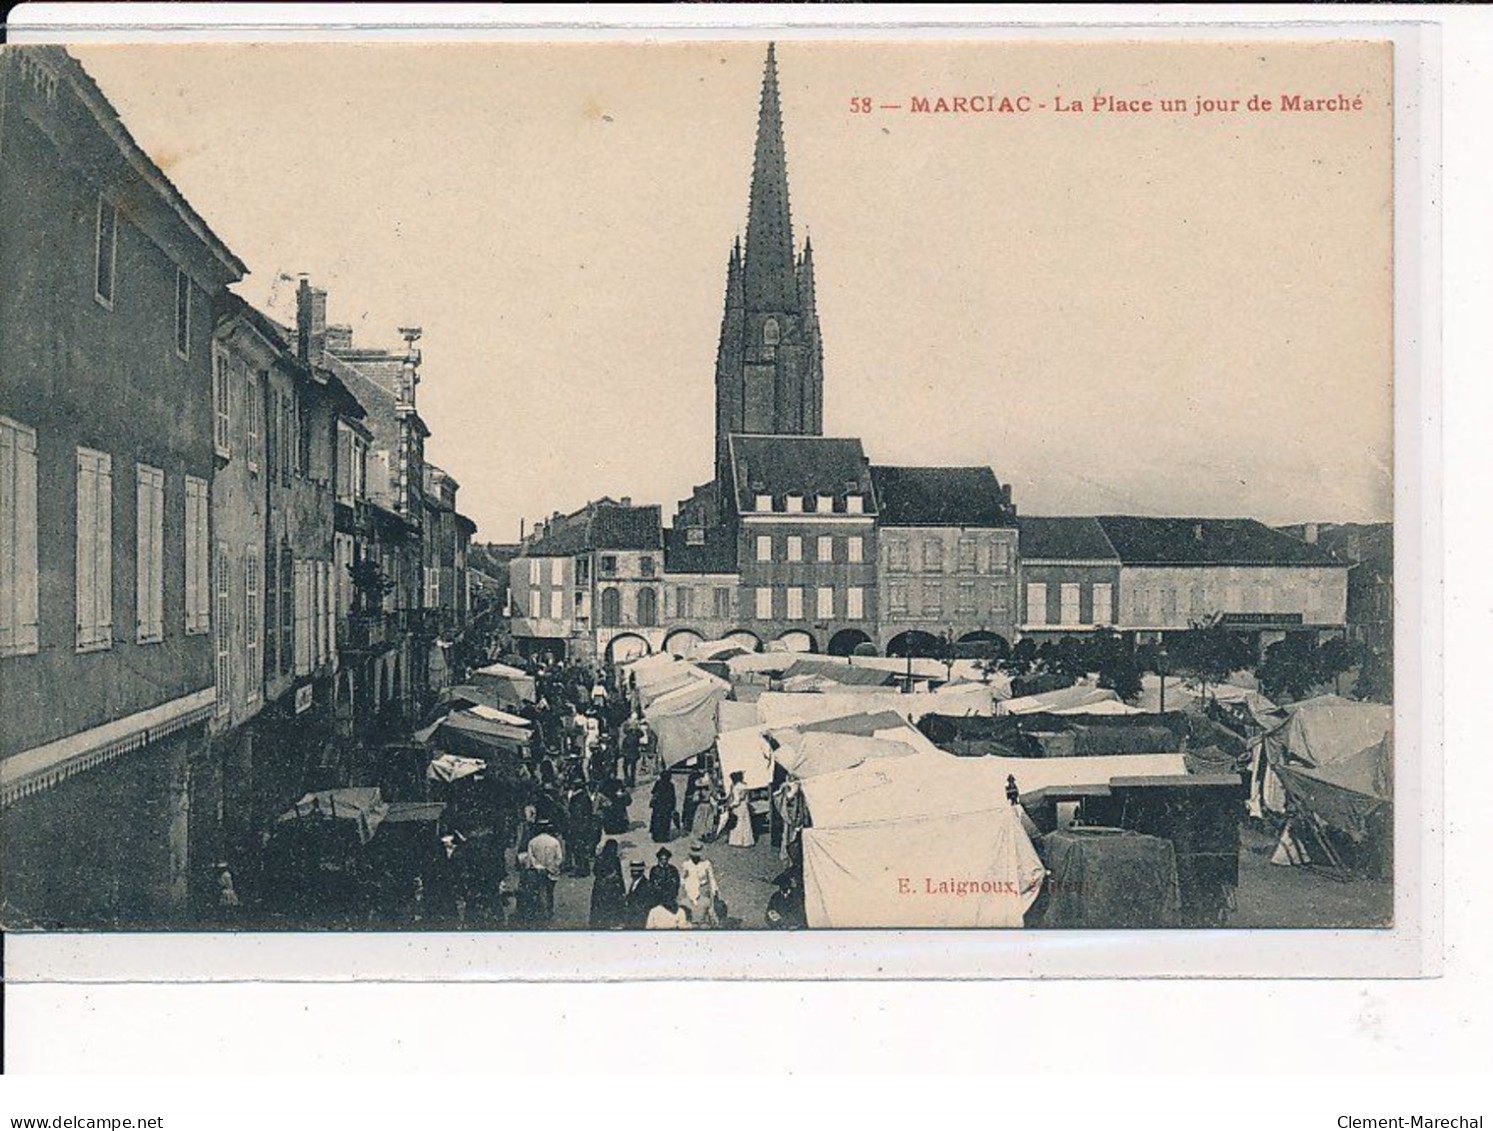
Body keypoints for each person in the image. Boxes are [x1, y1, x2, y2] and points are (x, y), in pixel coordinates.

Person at [525, 823, 565, 920]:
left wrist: (538, 866)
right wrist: (552, 866)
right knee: (549, 892)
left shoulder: (532, 842)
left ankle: (539, 912)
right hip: (551, 871)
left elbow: (531, 858)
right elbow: (559, 858)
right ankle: (549, 911)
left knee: (537, 891)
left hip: (536, 871)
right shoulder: (554, 842)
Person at [679, 841, 720, 927]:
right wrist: (682, 887)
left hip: (702, 888)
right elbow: (683, 877)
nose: (695, 859)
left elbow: (711, 878)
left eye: (697, 857)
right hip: (690, 887)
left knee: (704, 906)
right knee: (690, 907)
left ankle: (705, 923)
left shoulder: (706, 864)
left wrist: (714, 889)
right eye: (693, 857)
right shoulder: (686, 864)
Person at [589, 839, 627, 929]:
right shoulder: (607, 859)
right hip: (606, 887)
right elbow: (596, 872)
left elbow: (619, 874)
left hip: (607, 887)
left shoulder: (608, 859)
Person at [725, 770, 756, 848]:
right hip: (744, 805)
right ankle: (747, 841)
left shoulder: (736, 787)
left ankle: (737, 841)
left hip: (738, 807)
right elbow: (747, 798)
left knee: (737, 822)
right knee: (745, 822)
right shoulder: (745, 786)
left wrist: (730, 806)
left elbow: (736, 800)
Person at [649, 772, 678, 844]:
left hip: (658, 805)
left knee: (657, 821)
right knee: (665, 822)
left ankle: (656, 836)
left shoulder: (658, 783)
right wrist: (673, 807)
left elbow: (653, 792)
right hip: (667, 806)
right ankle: (664, 837)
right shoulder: (671, 785)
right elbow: (673, 797)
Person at [624, 860, 653, 929]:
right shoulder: (634, 883)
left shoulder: (646, 885)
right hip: (632, 918)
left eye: (637, 871)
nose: (634, 873)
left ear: (642, 872)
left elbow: (645, 904)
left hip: (640, 919)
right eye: (633, 870)